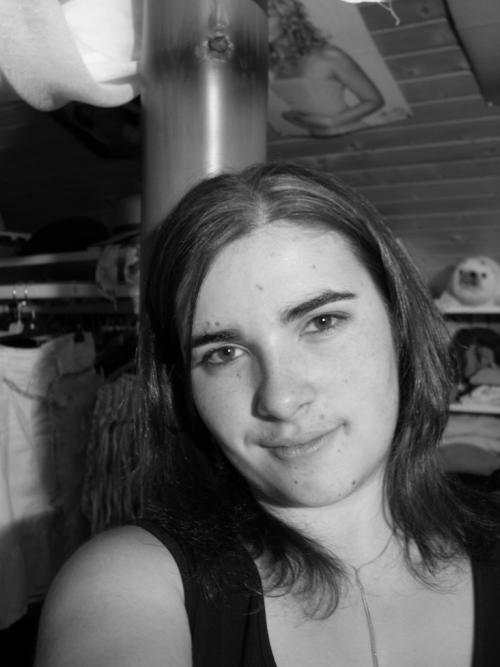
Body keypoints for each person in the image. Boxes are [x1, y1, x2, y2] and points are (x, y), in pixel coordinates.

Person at [35, 162, 500, 667]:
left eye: (322, 321)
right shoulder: (128, 581)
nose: (279, 399)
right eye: (224, 353)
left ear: (400, 325)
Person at [268, 0, 384, 137]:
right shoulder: (273, 63)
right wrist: (297, 118)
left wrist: (330, 122)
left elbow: (374, 101)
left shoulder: (328, 56)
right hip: (314, 142)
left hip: (354, 135)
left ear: (287, 17)